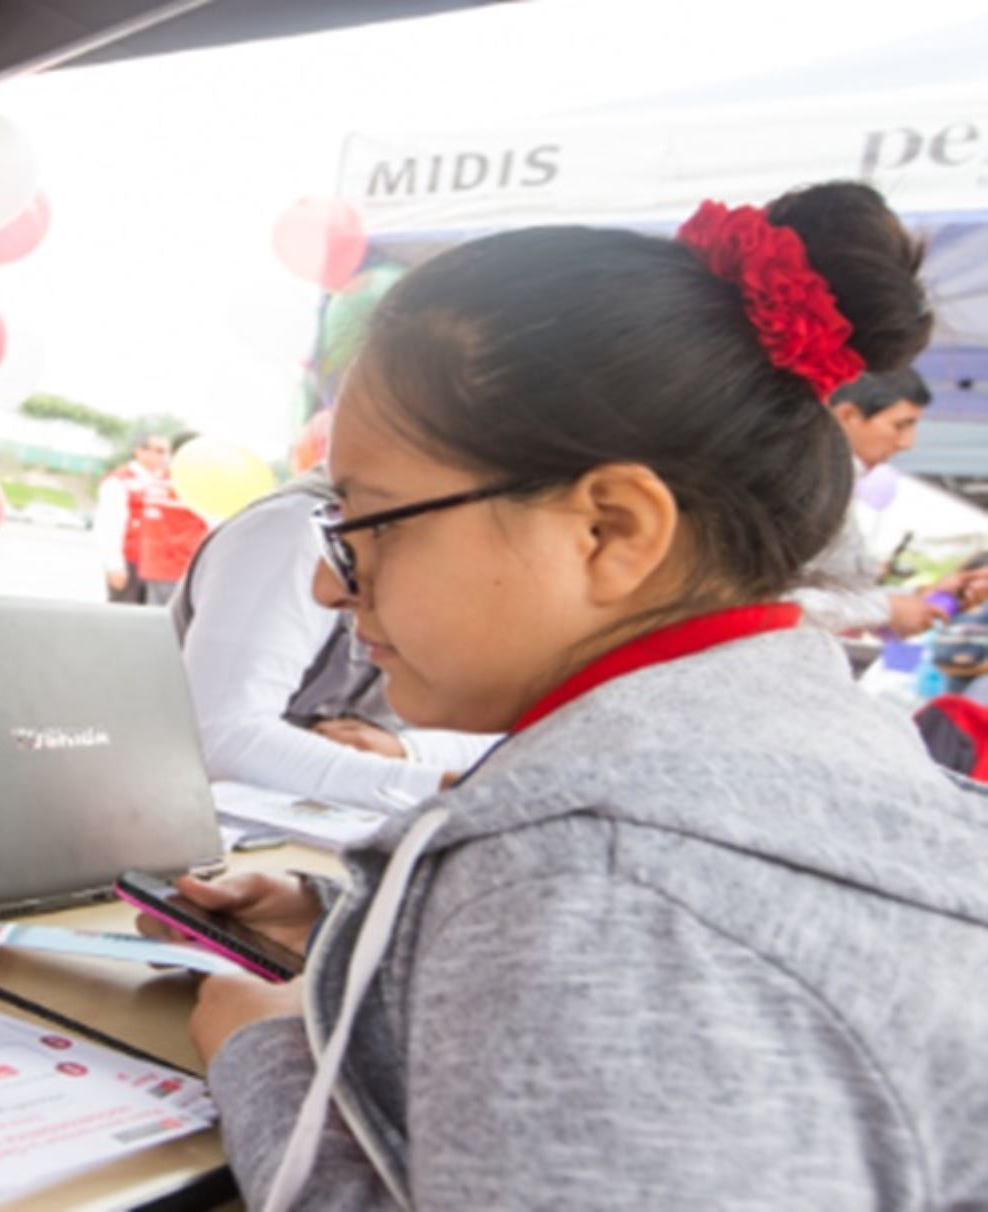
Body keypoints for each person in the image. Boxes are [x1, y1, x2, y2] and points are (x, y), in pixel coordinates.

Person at [145, 182, 988, 1208]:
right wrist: (365, 933)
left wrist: (268, 1054)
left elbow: (620, 972)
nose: (332, 581)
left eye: (367, 518)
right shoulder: (815, 761)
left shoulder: (593, 891)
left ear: (611, 530)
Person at [170, 469, 496, 810]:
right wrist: (438, 789)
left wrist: (410, 751)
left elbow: (518, 734)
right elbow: (222, 739)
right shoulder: (294, 531)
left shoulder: (467, 544)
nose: (327, 591)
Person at [797, 368, 987, 636]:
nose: (907, 443)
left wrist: (918, 596)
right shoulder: (803, 491)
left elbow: (831, 592)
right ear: (846, 416)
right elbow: (774, 601)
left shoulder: (831, 488)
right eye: (900, 425)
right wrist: (886, 610)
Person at [94, 432, 199, 604]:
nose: (163, 457)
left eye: (165, 452)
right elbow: (109, 526)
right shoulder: (119, 482)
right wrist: (114, 564)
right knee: (125, 617)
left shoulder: (175, 482)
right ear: (140, 452)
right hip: (131, 562)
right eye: (157, 451)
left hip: (162, 568)